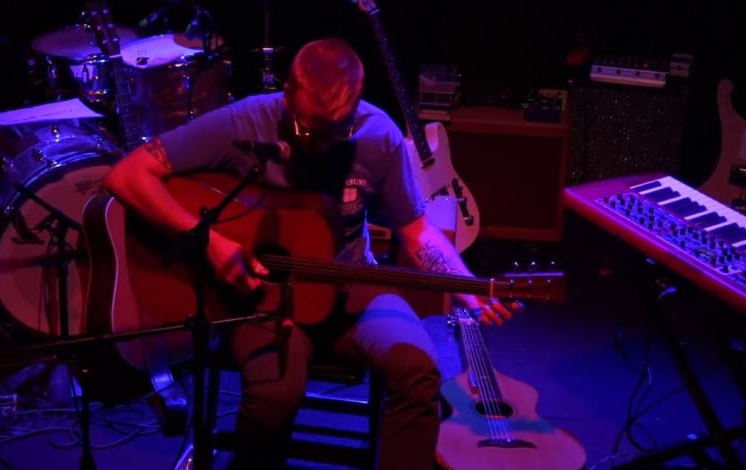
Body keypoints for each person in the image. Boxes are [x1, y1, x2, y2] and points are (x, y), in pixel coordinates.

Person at [101, 37, 518, 469]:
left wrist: (466, 283)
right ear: (287, 96)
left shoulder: (379, 136)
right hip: (264, 300)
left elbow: (416, 231)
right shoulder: (245, 123)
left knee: (417, 371)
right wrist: (210, 243)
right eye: (307, 129)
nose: (318, 144)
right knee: (274, 396)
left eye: (335, 133)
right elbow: (128, 176)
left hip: (354, 289)